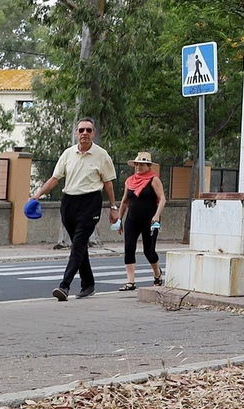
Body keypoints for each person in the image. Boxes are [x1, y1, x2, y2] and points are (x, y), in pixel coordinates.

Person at [30, 118, 118, 300]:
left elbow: (108, 183)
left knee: (78, 244)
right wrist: (37, 195)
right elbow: (55, 179)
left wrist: (113, 207)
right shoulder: (68, 154)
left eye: (88, 130)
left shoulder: (102, 155)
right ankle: (89, 284)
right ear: (76, 133)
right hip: (69, 202)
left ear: (93, 133)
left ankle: (64, 286)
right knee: (79, 245)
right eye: (81, 130)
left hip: (90, 202)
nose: (84, 133)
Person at [115, 152, 166, 290]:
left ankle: (157, 274)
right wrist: (119, 219)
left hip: (150, 220)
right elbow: (125, 201)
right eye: (137, 164)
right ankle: (130, 282)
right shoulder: (130, 181)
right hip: (132, 219)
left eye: (142, 164)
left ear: (148, 165)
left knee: (149, 251)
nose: (138, 166)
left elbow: (162, 199)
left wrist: (157, 215)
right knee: (129, 248)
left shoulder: (154, 179)